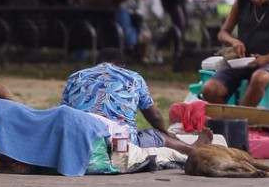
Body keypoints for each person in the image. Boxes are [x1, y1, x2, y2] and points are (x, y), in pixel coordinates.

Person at [61, 62, 191, 151]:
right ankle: (192, 151)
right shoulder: (134, 78)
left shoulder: (76, 77)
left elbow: (64, 114)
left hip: (80, 136)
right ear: (121, 65)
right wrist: (165, 132)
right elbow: (155, 116)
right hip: (119, 140)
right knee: (157, 136)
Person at [86, 0, 150, 59]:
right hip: (116, 36)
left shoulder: (90, 1)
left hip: (97, 35)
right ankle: (140, 57)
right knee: (141, 28)